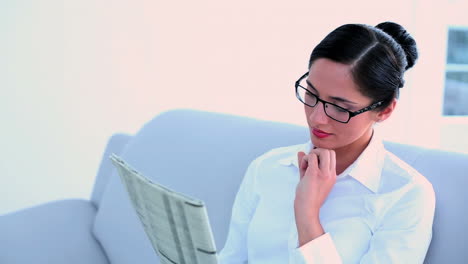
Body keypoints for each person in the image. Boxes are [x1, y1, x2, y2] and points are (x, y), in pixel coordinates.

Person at [218, 22, 436, 264]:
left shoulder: (405, 194)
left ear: (384, 111)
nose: (316, 118)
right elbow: (231, 259)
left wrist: (307, 215)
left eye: (340, 107)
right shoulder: (266, 168)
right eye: (311, 94)